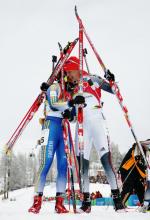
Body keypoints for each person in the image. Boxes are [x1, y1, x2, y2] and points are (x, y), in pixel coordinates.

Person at [63, 56, 125, 213]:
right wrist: (68, 114)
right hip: (82, 126)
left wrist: (112, 80)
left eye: (70, 72)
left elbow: (114, 90)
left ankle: (117, 200)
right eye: (67, 73)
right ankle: (86, 201)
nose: (69, 76)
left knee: (105, 160)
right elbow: (72, 117)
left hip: (97, 121)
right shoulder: (71, 89)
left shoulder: (93, 79)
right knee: (82, 165)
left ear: (77, 68)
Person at [28, 79, 74, 214]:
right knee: (46, 163)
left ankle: (60, 203)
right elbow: (54, 104)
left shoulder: (70, 94)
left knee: (63, 166)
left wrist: (70, 114)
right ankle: (36, 202)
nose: (75, 83)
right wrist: (68, 105)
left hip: (63, 128)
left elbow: (73, 117)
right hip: (51, 125)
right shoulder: (54, 86)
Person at [118, 142, 147, 207]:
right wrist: (145, 176)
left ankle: (144, 204)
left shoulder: (145, 152)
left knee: (140, 188)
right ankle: (120, 205)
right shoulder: (137, 147)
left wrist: (144, 176)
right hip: (128, 170)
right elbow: (138, 164)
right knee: (128, 188)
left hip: (136, 173)